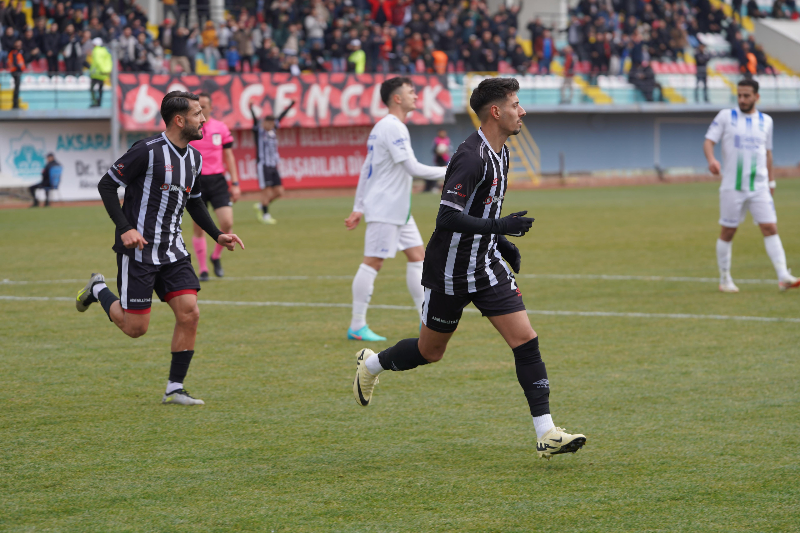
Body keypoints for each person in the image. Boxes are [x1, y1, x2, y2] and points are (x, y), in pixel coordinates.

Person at [351, 77, 587, 460]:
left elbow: (486, 210)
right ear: (496, 111)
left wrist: (502, 242)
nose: (522, 111)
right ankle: (372, 364)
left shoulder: (504, 154)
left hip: (486, 265)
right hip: (449, 270)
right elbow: (447, 218)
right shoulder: (470, 156)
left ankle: (546, 432)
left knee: (526, 340)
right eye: (515, 104)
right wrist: (502, 228)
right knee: (431, 352)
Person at [75, 91, 245, 405]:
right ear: (179, 120)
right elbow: (107, 184)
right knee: (135, 328)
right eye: (197, 114)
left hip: (173, 251)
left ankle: (174, 388)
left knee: (190, 313)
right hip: (139, 252)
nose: (203, 118)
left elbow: (193, 201)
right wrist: (125, 228)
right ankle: (98, 289)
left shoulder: (194, 158)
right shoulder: (147, 151)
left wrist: (216, 234)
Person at [344, 77, 447, 342]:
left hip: (397, 209)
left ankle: (425, 320)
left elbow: (367, 169)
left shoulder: (384, 127)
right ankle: (357, 325)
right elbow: (411, 168)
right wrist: (451, 170)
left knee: (418, 258)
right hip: (386, 208)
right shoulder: (392, 127)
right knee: (373, 262)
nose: (416, 95)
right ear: (397, 98)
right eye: (411, 92)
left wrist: (358, 206)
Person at [703, 79, 800, 293]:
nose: (742, 99)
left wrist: (771, 180)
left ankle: (783, 276)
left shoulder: (766, 121)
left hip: (759, 186)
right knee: (728, 231)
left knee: (770, 227)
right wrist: (711, 160)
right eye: (739, 95)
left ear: (757, 97)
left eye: (747, 95)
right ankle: (725, 278)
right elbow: (709, 141)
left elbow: (767, 152)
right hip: (732, 186)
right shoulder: (726, 117)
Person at [189, 93, 241, 281]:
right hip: (196, 180)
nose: (202, 109)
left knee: (227, 223)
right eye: (198, 107)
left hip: (218, 180)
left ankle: (215, 256)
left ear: (211, 107)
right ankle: (203, 269)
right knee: (199, 227)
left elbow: (229, 156)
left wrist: (235, 183)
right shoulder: (190, 129)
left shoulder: (220, 127)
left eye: (205, 106)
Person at [249, 101, 294, 224]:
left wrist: (291, 104)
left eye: (273, 122)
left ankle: (261, 206)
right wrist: (251, 108)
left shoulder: (273, 131)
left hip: (273, 165)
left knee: (279, 191)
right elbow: (254, 121)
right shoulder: (259, 132)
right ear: (264, 123)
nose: (272, 124)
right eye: (270, 122)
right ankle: (265, 215)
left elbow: (281, 116)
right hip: (263, 165)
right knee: (266, 190)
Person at [89, 38, 111, 107]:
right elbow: (109, 61)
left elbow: (98, 62)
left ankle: (95, 102)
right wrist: (106, 70)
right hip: (104, 73)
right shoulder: (105, 50)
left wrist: (101, 69)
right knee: (100, 89)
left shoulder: (96, 50)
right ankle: (99, 103)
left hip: (96, 73)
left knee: (92, 89)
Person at [7, 39, 24, 109]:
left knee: (17, 89)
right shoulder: (14, 52)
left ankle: (15, 105)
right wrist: (20, 68)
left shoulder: (17, 52)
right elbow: (15, 63)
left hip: (16, 72)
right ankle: (15, 105)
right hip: (16, 72)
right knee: (16, 89)